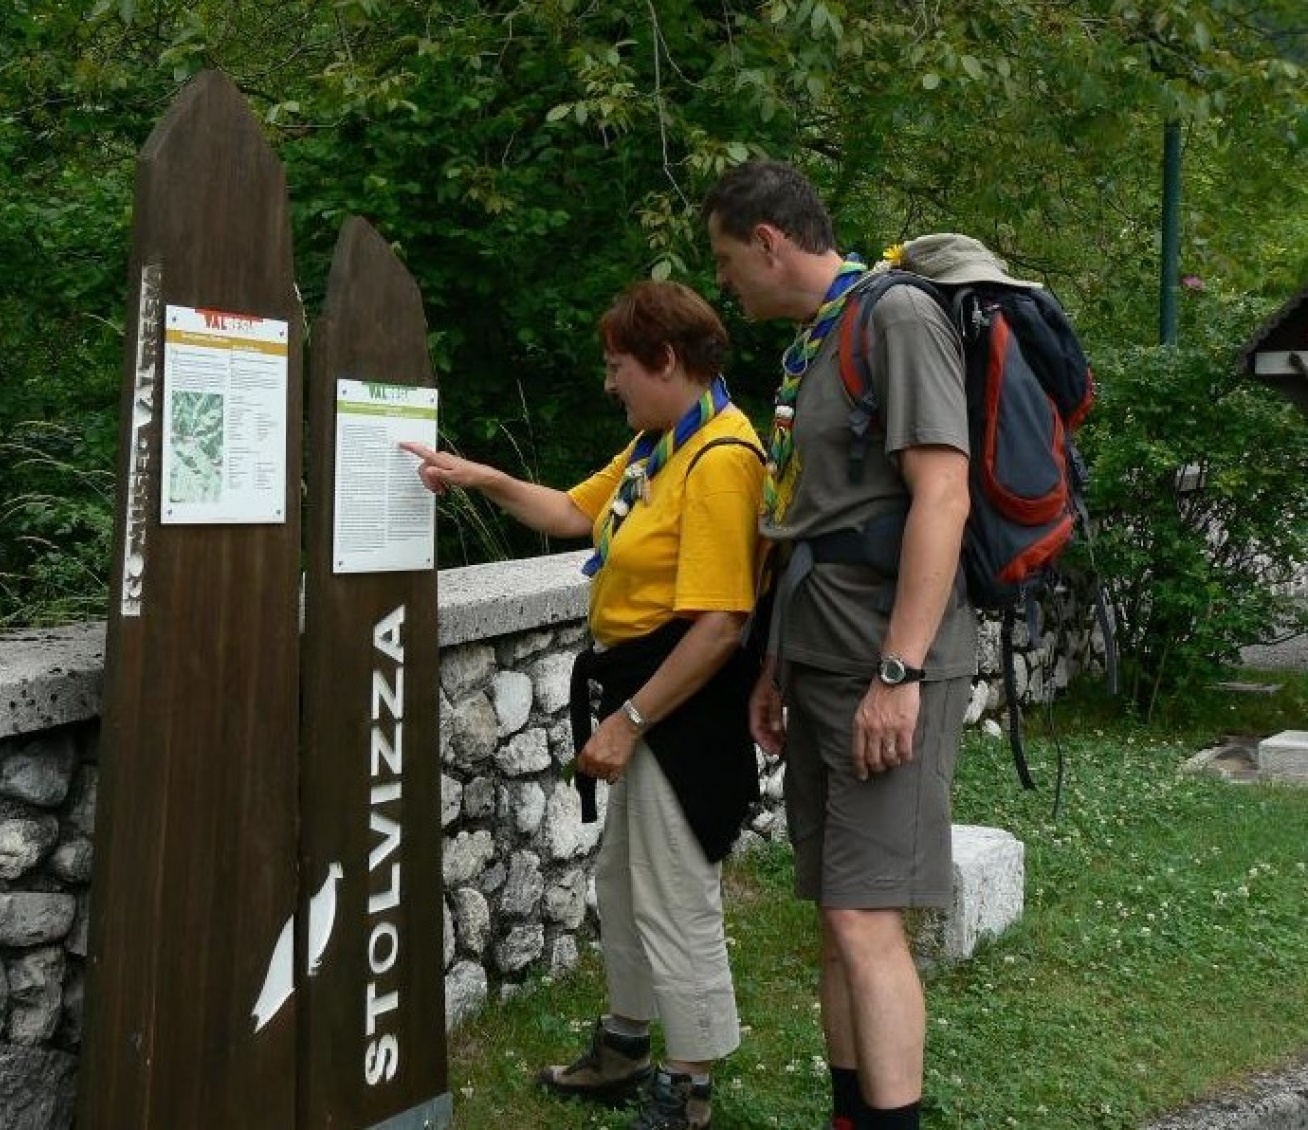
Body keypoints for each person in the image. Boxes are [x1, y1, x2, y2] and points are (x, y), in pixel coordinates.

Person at [401, 279, 765, 1130]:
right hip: (641, 691)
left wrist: (629, 722)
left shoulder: (720, 459)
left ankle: (690, 1085)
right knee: (624, 881)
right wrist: (479, 475)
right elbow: (571, 511)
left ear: (665, 361)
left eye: (618, 367)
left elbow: (720, 626)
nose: (610, 384)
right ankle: (627, 1045)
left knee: (675, 891)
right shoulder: (658, 447)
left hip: (682, 707)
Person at [702, 159, 976, 1130]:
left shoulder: (893, 317)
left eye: (731, 259)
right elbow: (813, 517)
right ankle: (851, 1113)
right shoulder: (820, 341)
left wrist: (898, 674)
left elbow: (943, 492)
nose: (728, 282)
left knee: (866, 918)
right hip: (820, 655)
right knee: (835, 911)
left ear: (770, 241)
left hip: (882, 661)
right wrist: (778, 661)